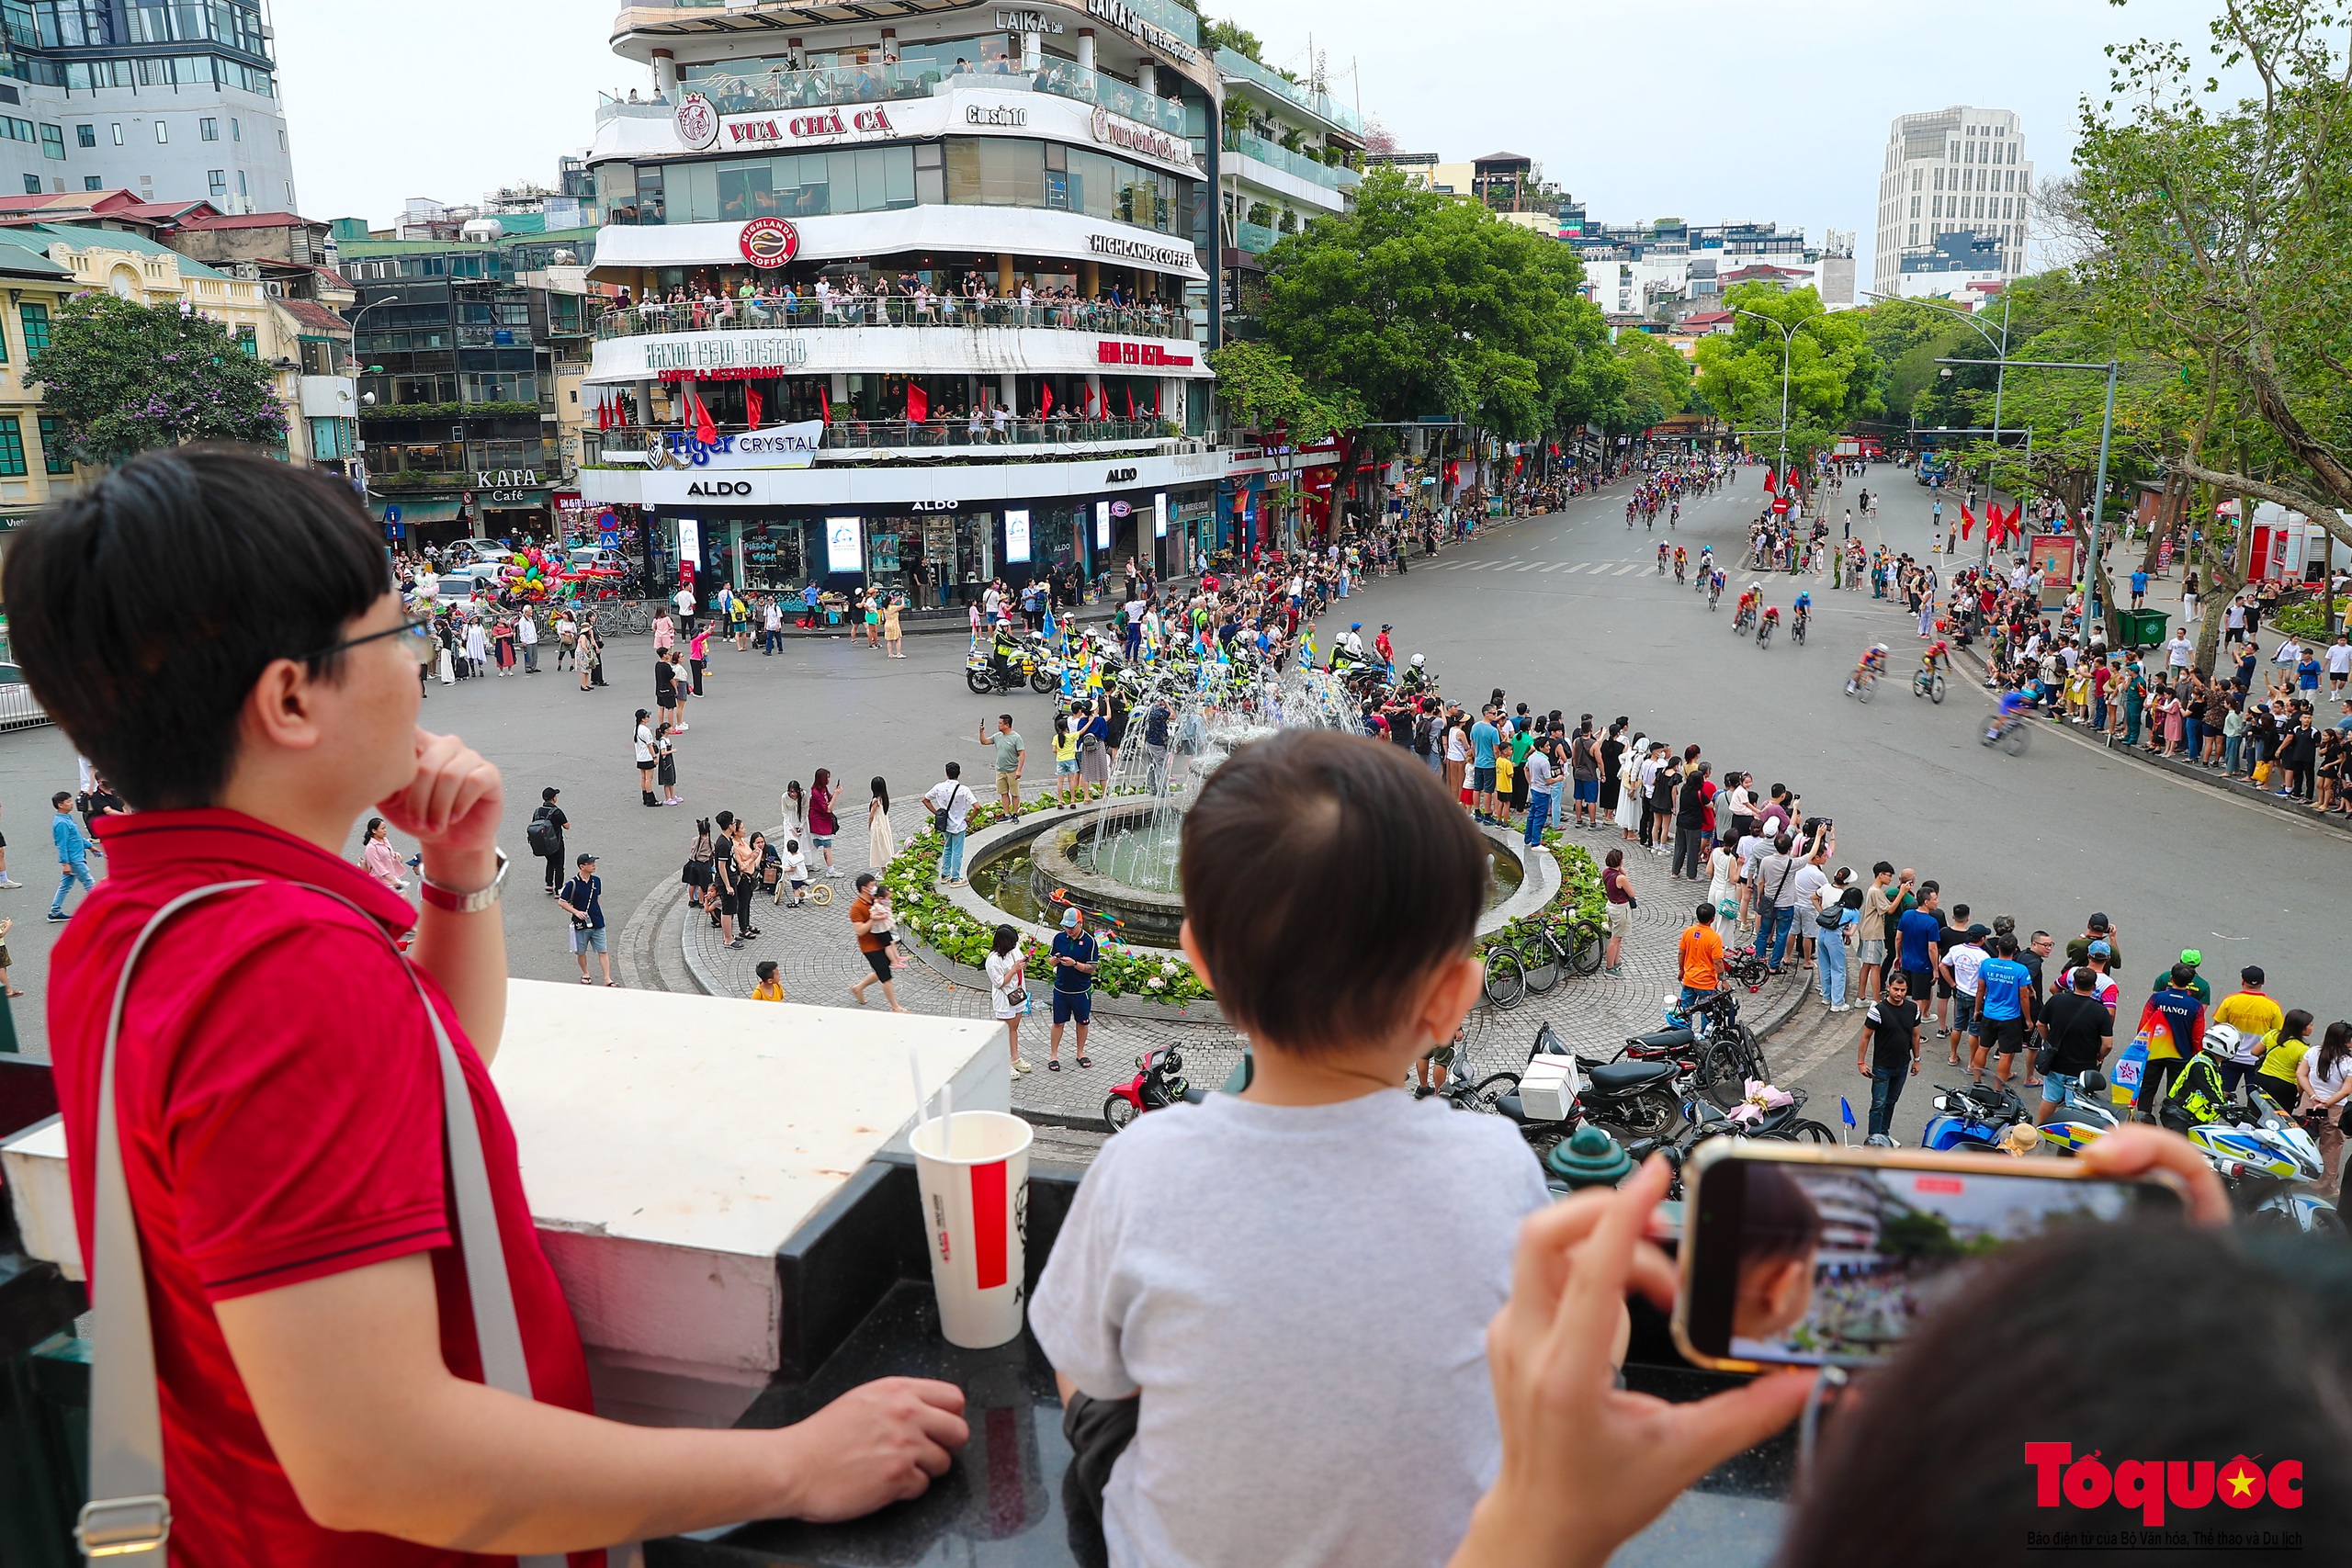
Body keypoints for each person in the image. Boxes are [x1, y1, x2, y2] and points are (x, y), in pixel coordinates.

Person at [11, 447, 967, 1562]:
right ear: (288, 698)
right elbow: (379, 1455)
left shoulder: (140, 926)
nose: (420, 664)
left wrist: (459, 875)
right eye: (397, 632)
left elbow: (420, 1065)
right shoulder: (278, 968)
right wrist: (793, 1464)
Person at [1033, 730, 1548, 1568]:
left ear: (1197, 956)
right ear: (1452, 999)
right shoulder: (1495, 1166)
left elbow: (1084, 1371)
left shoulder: (1144, 1162)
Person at [1858, 970, 1922, 1138]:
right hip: (1882, 1067)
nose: (1899, 993)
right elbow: (1865, 1037)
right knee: (1878, 1104)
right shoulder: (1877, 1010)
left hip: (1902, 1065)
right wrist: (1861, 1062)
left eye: (1903, 990)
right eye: (1895, 989)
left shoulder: (1913, 1008)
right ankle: (1873, 1139)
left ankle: (1883, 1135)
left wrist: (1917, 1060)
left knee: (1891, 1102)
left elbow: (1916, 1035)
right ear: (1888, 987)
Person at [2211, 964, 2285, 1095]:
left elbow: (2217, 1027)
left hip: (2230, 1056)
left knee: (2223, 1092)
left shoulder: (2230, 1001)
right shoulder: (2273, 1006)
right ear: (2263, 983)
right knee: (2255, 1096)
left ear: (2242, 981)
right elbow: (2278, 1033)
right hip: (2256, 1059)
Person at [1046, 905, 1099, 1071]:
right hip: (1061, 989)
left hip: (1081, 990)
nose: (1068, 930)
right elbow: (1050, 961)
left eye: (1071, 926)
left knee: (1082, 1022)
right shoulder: (1059, 938)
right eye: (1065, 926)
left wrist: (1075, 964)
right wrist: (1056, 960)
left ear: (1080, 923)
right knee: (1058, 1022)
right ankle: (1053, 1056)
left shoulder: (1090, 942)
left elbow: (1092, 968)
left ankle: (1080, 1053)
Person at [847, 873, 906, 1011]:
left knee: (882, 970)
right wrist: (873, 919)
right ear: (864, 888)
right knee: (885, 976)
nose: (875, 888)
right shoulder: (857, 908)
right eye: (872, 885)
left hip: (882, 940)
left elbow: (887, 907)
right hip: (870, 946)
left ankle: (858, 988)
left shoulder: (874, 900)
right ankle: (895, 1006)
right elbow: (860, 930)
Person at [557, 852, 616, 987]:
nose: (594, 865)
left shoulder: (597, 881)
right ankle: (585, 973)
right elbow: (562, 902)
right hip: (581, 924)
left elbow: (596, 898)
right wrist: (576, 912)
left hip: (597, 921)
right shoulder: (572, 884)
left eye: (594, 862)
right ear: (582, 866)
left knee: (603, 950)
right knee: (581, 952)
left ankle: (607, 978)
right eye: (591, 863)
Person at [986, 924, 1033, 1076]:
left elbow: (1021, 964)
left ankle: (1014, 1058)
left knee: (1013, 1028)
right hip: (1005, 999)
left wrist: (1025, 961)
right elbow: (999, 983)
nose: (1015, 945)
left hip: (1018, 995)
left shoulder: (1014, 949)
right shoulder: (993, 961)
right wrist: (1014, 969)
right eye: (1012, 942)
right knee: (1003, 1031)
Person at [923, 762, 978, 885]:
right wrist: (970, 819)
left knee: (947, 848)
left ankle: (945, 875)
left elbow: (925, 800)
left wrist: (937, 813)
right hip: (959, 825)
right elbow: (977, 807)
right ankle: (955, 878)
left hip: (945, 824)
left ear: (946, 773)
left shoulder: (938, 787)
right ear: (959, 773)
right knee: (957, 852)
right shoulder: (964, 790)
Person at [47, 787, 95, 920]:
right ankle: (103, 909)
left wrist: (89, 846)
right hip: (74, 859)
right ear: (60, 805)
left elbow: (76, 837)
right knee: (89, 883)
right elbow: (62, 844)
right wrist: (65, 863)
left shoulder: (66, 819)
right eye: (68, 802)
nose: (71, 803)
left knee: (65, 885)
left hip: (75, 857)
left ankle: (55, 911)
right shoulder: (61, 823)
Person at [1676, 902, 1724, 1010]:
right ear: (1712, 919)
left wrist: (1682, 970)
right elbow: (1718, 962)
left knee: (1686, 1011)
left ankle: (1683, 1028)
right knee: (1708, 1013)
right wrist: (1723, 980)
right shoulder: (1714, 938)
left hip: (1689, 979)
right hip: (1706, 983)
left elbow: (1681, 953)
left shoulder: (1688, 932)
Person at [527, 786, 569, 894]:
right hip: (556, 843)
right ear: (554, 799)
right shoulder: (557, 812)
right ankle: (559, 889)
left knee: (550, 862)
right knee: (559, 866)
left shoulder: (537, 811)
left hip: (543, 843)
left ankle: (549, 884)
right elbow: (567, 826)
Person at [361, 816, 407, 894]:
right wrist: (392, 881)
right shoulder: (371, 848)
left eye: (385, 828)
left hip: (391, 877)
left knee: (404, 897)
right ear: (374, 831)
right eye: (382, 829)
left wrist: (395, 854)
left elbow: (388, 854)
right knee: (401, 898)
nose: (385, 831)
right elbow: (379, 868)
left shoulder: (385, 840)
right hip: (382, 881)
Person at [990, 713, 1026, 812]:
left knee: (1014, 793)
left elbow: (1022, 754)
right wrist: (981, 732)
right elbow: (984, 741)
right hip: (1000, 769)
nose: (998, 725)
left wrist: (1019, 770)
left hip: (1012, 770)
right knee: (1003, 793)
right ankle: (1006, 813)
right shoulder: (997, 736)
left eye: (1000, 723)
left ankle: (1014, 813)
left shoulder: (1016, 737)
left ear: (1007, 725)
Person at [866, 776, 897, 869]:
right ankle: (886, 868)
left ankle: (883, 871)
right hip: (884, 824)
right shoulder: (884, 798)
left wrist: (869, 824)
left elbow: (872, 814)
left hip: (877, 825)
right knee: (885, 844)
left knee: (879, 847)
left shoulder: (876, 800)